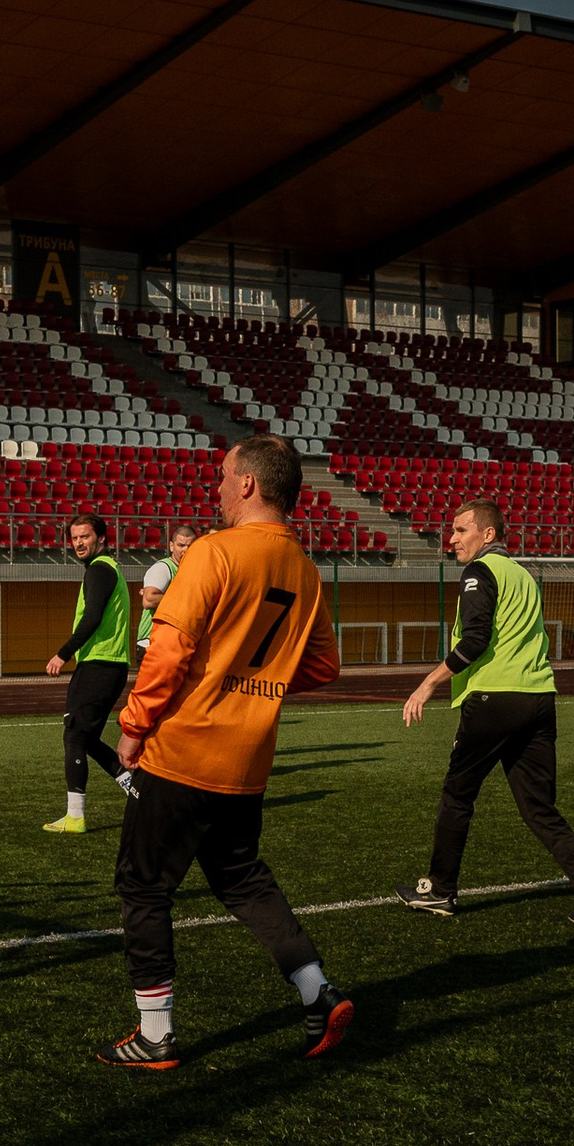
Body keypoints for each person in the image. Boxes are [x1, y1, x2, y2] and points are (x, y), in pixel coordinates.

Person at [98, 435, 350, 1069]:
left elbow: (169, 651)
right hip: (249, 757)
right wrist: (252, 686)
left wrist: (133, 723)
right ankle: (317, 992)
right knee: (241, 878)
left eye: (222, 477)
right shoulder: (304, 568)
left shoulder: (213, 551)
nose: (215, 488)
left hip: (185, 749)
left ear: (248, 485)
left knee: (143, 885)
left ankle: (155, 1034)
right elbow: (323, 665)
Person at [396, 499, 574, 927]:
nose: (452, 539)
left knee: (457, 796)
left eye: (461, 530)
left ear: (487, 534)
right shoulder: (523, 575)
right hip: (539, 700)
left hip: (493, 701)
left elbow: (476, 640)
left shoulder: (479, 572)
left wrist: (427, 683)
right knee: (539, 809)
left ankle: (440, 891)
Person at [42, 512, 136, 834]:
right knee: (87, 737)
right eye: (74, 538)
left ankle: (76, 816)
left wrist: (63, 653)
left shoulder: (99, 570)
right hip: (108, 665)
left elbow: (93, 616)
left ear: (102, 539)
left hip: (99, 665)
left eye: (84, 536)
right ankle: (133, 786)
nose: (78, 543)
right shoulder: (108, 569)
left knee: (74, 736)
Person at [135, 524, 197, 650]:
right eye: (181, 545)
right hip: (152, 643)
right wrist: (186, 600)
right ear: (171, 546)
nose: (185, 550)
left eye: (190, 546)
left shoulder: (192, 570)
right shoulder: (163, 568)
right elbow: (149, 600)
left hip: (175, 643)